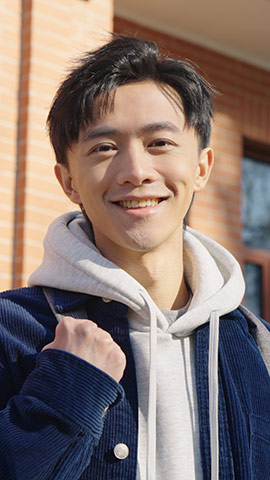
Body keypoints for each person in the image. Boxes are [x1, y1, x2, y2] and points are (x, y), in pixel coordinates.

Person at [0, 34, 269, 480]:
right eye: (104, 148)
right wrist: (68, 390)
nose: (136, 172)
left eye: (159, 143)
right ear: (68, 181)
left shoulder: (256, 348)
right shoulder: (12, 332)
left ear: (201, 168)